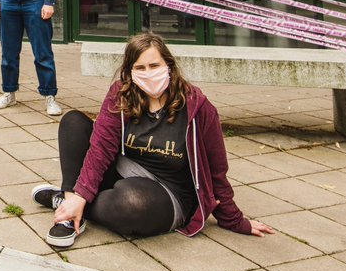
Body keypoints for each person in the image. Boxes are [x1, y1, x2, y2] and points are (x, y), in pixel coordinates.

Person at [30, 33, 274, 247]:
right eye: (140, 68)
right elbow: (101, 148)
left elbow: (217, 169)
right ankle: (74, 205)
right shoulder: (121, 95)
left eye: (154, 65)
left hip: (168, 192)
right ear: (130, 72)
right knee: (73, 122)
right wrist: (82, 193)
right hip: (123, 170)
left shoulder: (198, 108)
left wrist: (233, 220)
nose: (148, 73)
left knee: (131, 203)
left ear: (168, 65)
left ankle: (66, 200)